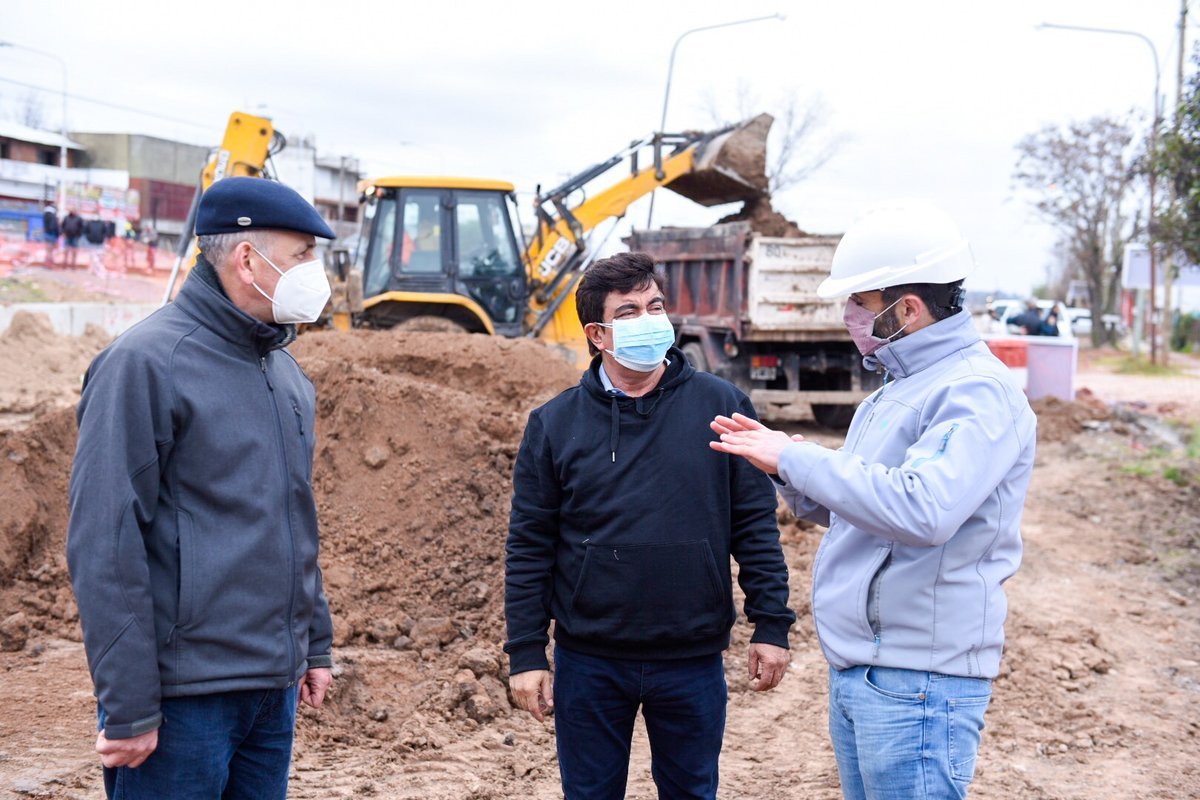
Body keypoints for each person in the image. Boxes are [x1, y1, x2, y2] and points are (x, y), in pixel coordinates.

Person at [710, 200, 1036, 800]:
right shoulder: (898, 387)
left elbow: (923, 509)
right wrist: (787, 470)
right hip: (871, 669)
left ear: (906, 309)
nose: (847, 316)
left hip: (920, 679)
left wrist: (799, 459)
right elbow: (859, 507)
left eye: (859, 304)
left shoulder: (976, 392)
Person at [67, 177, 338, 800]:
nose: (315, 273)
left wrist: (312, 643)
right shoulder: (145, 365)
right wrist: (129, 704)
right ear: (248, 258)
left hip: (270, 693)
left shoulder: (286, 375)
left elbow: (293, 518)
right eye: (302, 255)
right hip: (182, 702)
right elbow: (104, 540)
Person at [504, 252, 795, 800]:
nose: (650, 319)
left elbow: (754, 524)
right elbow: (529, 545)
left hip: (691, 659)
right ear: (598, 334)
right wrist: (525, 653)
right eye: (631, 311)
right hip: (589, 661)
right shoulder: (553, 424)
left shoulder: (722, 406)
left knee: (691, 791)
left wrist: (771, 625)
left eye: (655, 306)